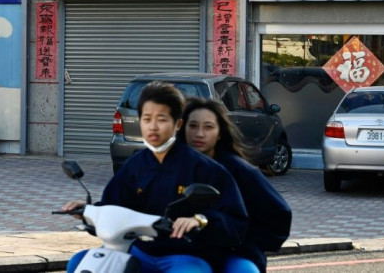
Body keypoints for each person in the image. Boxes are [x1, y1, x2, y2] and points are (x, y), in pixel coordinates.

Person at [62, 81, 248, 273]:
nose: (153, 127)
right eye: (147, 119)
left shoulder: (206, 169)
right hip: (137, 250)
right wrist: (89, 212)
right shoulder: (133, 167)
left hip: (186, 254)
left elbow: (235, 221)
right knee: (78, 262)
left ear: (178, 124)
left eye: (161, 119)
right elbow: (114, 207)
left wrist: (200, 220)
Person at [179, 97, 292, 273]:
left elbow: (280, 214)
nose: (199, 133)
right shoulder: (172, 166)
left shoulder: (240, 170)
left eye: (208, 127)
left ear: (220, 133)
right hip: (184, 253)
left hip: (234, 253)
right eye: (192, 126)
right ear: (182, 128)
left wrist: (245, 242)